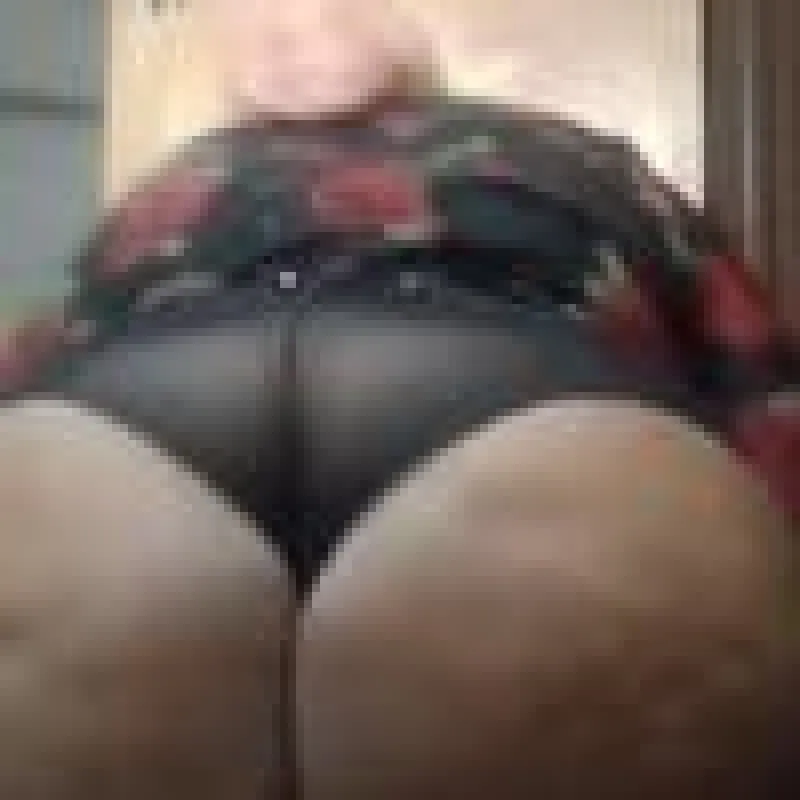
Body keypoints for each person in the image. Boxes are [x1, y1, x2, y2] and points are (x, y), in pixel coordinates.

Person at [0, 0, 797, 796]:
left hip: (142, 397)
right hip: (499, 380)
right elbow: (759, 387)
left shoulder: (172, 180)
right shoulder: (572, 153)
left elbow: (33, 361)